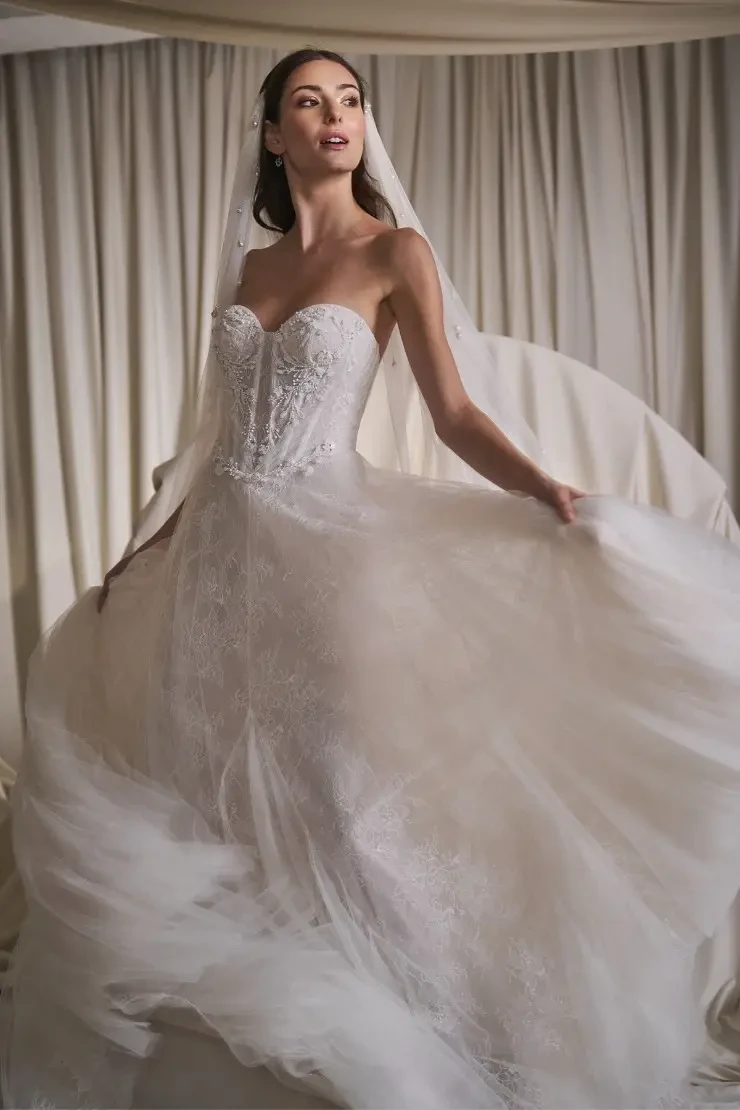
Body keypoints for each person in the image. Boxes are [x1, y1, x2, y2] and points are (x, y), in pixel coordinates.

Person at [5, 46, 740, 1110]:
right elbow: (215, 444)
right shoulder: (250, 272)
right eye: (308, 103)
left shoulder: (396, 252)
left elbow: (455, 413)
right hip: (212, 569)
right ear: (274, 135)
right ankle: (245, 1054)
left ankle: (434, 1036)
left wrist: (541, 485)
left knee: (339, 799)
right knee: (206, 788)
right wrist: (146, 552)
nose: (334, 117)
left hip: (320, 554)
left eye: (348, 100)